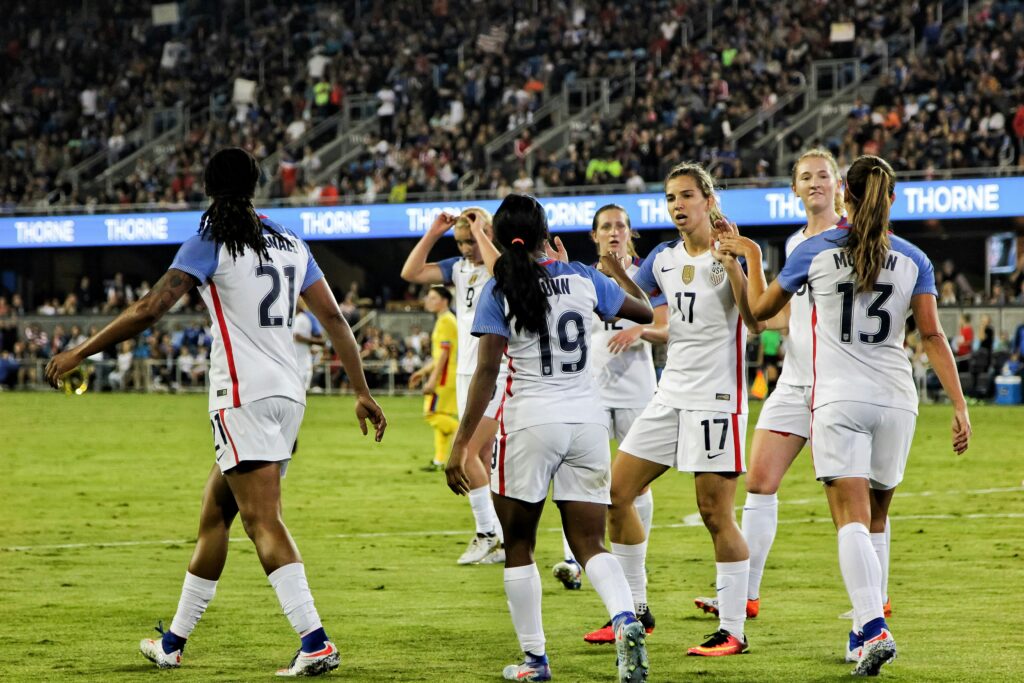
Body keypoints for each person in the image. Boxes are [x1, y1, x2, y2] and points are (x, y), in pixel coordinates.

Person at [44, 147, 388, 677]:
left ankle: (315, 640)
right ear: (256, 183)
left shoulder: (211, 240)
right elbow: (337, 321)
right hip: (287, 397)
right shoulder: (292, 242)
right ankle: (173, 643)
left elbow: (150, 308)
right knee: (215, 515)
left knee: (262, 521)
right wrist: (361, 390)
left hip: (242, 398)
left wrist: (80, 351)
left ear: (208, 185)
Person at [719, 154, 970, 675]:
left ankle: (874, 628)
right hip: (899, 400)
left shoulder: (813, 250)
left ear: (844, 198)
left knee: (850, 520)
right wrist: (960, 405)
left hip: (839, 398)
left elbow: (763, 316)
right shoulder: (915, 259)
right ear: (892, 200)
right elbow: (932, 336)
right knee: (877, 519)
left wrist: (742, 262)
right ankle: (862, 629)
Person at [445, 193, 653, 683]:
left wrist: (461, 445)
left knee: (518, 544)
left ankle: (536, 662)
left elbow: (487, 371)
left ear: (496, 237)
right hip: (587, 422)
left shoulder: (501, 289)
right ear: (546, 236)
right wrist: (615, 271)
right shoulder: (582, 276)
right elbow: (644, 312)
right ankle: (626, 619)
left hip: (530, 423)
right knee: (589, 541)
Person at [690, 148, 898, 627]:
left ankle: (875, 602)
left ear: (840, 186)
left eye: (824, 175)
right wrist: (743, 265)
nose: (815, 183)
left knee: (860, 502)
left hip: (842, 385)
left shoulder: (859, 239)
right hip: (796, 379)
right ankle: (747, 594)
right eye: (805, 177)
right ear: (795, 189)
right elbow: (777, 316)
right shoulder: (797, 241)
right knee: (760, 480)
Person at [586, 162, 763, 657]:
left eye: (686, 196)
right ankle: (636, 611)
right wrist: (616, 268)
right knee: (616, 493)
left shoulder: (728, 255)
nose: (677, 205)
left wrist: (734, 267)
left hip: (716, 399)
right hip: (669, 396)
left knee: (714, 513)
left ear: (708, 200)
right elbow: (640, 299)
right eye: (670, 198)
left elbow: (754, 324)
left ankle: (733, 631)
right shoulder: (663, 257)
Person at [560, 205, 668, 647]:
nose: (614, 232)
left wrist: (640, 332)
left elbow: (668, 328)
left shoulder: (647, 274)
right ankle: (593, 567)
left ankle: (631, 582)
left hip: (637, 390)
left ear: (630, 233)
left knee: (631, 489)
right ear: (594, 234)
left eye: (620, 225)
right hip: (591, 390)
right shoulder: (582, 277)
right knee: (595, 482)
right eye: (606, 226)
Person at [402, 208, 506, 565]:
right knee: (484, 457)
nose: (465, 248)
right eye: (460, 242)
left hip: (496, 370)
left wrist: (481, 235)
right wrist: (433, 233)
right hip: (467, 373)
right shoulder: (459, 269)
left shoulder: (502, 265)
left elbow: (501, 273)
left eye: (471, 239)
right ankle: (500, 537)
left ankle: (488, 531)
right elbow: (411, 272)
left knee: (472, 452)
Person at [409, 286, 460, 472]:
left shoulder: (446, 321)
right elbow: (440, 355)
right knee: (442, 415)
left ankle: (462, 433)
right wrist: (423, 371)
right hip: (448, 374)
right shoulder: (444, 320)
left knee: (431, 413)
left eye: (432, 298)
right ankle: (439, 461)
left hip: (445, 377)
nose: (427, 301)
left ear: (444, 300)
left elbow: (445, 355)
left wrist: (432, 380)